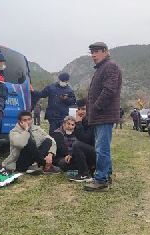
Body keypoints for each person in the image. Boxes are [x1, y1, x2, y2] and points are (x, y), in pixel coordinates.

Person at [84, 42, 122, 192]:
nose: (93, 55)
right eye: (92, 52)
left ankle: (101, 180)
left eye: (97, 51)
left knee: (101, 149)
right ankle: (106, 175)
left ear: (106, 51)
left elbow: (109, 91)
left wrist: (95, 108)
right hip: (99, 116)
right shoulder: (101, 68)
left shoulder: (110, 66)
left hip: (103, 115)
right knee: (102, 147)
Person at [51, 116, 96, 181]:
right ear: (63, 124)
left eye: (72, 125)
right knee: (63, 163)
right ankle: (87, 169)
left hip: (74, 156)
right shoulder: (57, 134)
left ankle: (85, 169)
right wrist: (71, 154)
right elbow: (63, 150)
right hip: (62, 157)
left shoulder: (76, 133)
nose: (70, 127)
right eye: (68, 124)